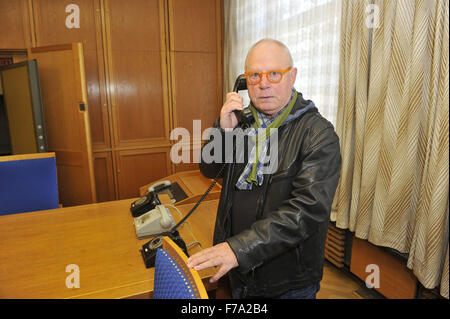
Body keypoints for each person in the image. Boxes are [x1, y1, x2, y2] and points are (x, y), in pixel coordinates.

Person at [187, 38, 342, 299]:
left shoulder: (317, 134)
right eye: (254, 75)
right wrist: (223, 132)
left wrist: (239, 248)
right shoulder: (243, 121)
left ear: (292, 77)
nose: (263, 84)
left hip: (286, 279)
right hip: (241, 269)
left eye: (274, 74)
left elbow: (307, 210)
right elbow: (210, 170)